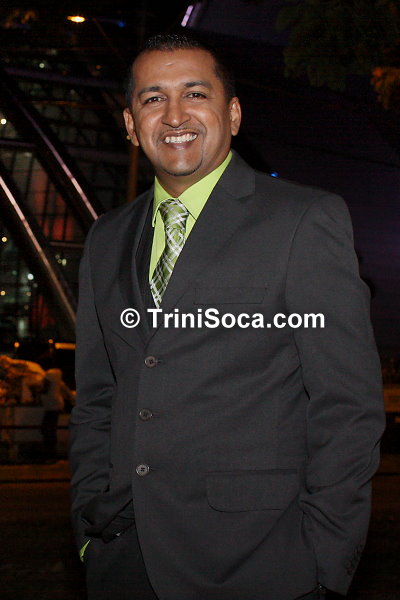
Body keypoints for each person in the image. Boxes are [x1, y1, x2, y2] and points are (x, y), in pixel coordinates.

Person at [69, 33, 385, 600]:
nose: (175, 115)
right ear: (130, 124)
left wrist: (324, 562)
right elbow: (97, 395)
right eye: (153, 98)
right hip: (123, 554)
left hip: (259, 560)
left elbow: (348, 404)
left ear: (233, 114)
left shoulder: (302, 220)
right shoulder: (107, 237)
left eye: (195, 93)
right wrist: (88, 528)